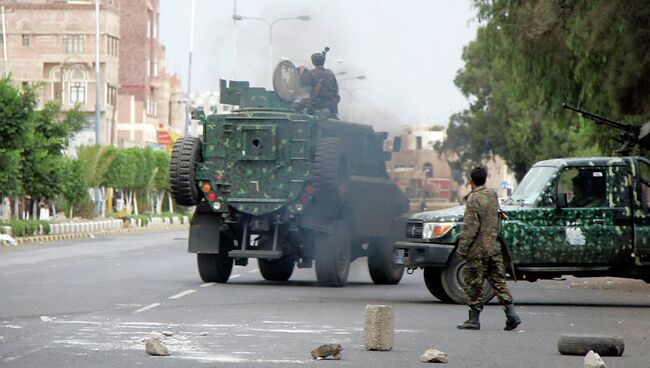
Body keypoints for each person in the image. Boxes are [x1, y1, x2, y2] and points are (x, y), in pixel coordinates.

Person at [456, 167, 521, 331]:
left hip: (477, 251)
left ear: (472, 181)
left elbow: (471, 227)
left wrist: (462, 249)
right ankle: (512, 315)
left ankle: (473, 319)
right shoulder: (492, 195)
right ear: (485, 179)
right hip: (493, 247)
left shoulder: (473, 199)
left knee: (474, 284)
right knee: (499, 282)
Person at [297, 48, 340, 118]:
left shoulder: (312, 73)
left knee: (299, 105)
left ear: (313, 62)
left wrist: (301, 71)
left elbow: (301, 82)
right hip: (331, 105)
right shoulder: (330, 73)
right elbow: (336, 89)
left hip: (317, 105)